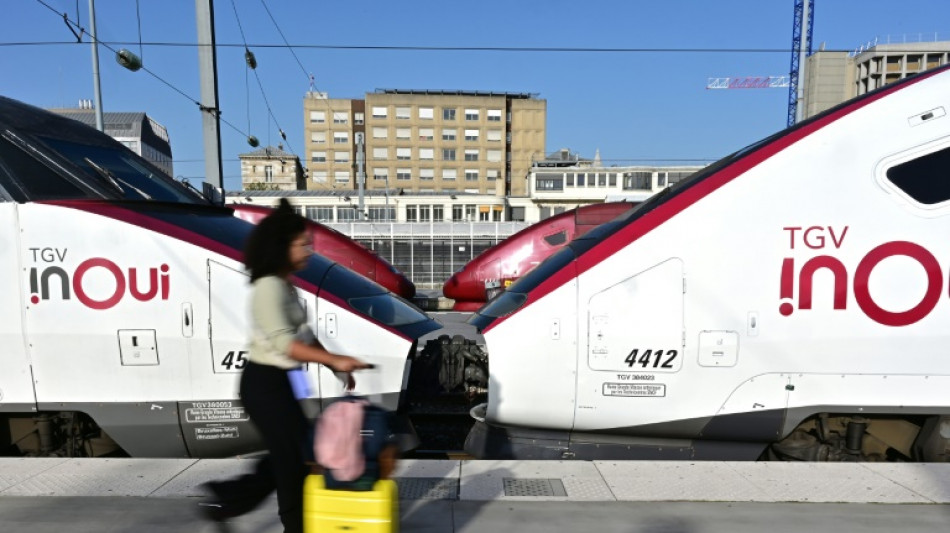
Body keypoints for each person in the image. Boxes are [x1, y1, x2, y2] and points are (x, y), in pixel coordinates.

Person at [200, 198, 369, 533]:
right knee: (292, 462)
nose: (309, 250)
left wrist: (335, 366)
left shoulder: (286, 285)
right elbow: (284, 343)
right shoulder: (267, 288)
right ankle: (291, 524)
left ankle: (227, 500)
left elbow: (303, 335)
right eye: (303, 244)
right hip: (264, 385)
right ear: (281, 247)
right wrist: (334, 359)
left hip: (280, 383)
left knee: (290, 455)